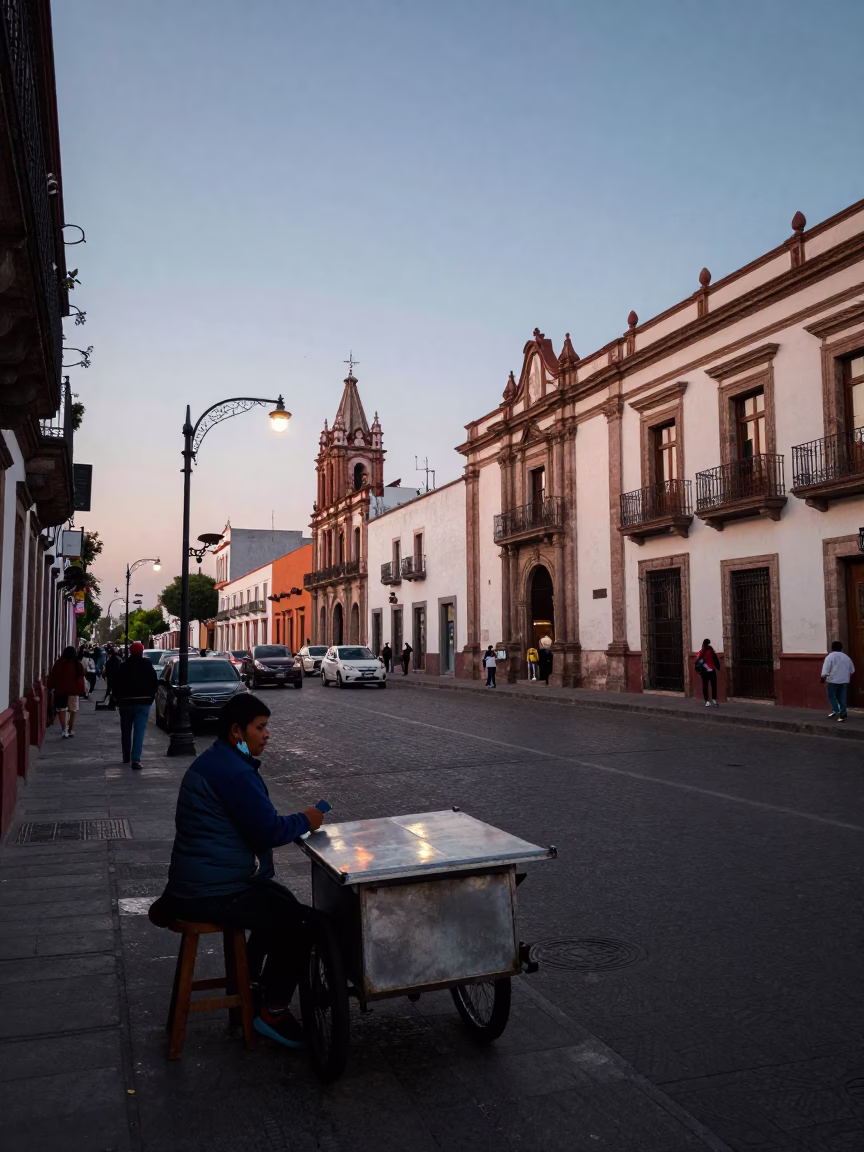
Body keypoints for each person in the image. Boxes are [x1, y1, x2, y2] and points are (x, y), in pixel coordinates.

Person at [150, 694, 326, 1048]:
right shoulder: (233, 772)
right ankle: (272, 1011)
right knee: (301, 923)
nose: (267, 734)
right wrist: (306, 820)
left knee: (280, 899)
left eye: (266, 727)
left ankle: (254, 987)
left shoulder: (222, 760)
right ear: (236, 732)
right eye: (260, 728)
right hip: (211, 892)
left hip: (202, 882)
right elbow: (267, 830)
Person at [112, 641, 159, 769]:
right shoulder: (147, 665)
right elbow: (155, 683)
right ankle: (136, 759)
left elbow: (115, 684)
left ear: (131, 651)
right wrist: (151, 697)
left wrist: (117, 698)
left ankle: (125, 757)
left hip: (125, 703)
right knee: (140, 731)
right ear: (142, 651)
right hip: (143, 702)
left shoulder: (123, 666)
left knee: (125, 731)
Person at [47, 646, 86, 738]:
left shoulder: (59, 663)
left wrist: (51, 687)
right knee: (73, 711)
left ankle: (64, 730)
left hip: (60, 690)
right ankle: (70, 730)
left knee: (61, 710)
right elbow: (83, 673)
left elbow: (53, 675)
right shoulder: (77, 664)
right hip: (73, 691)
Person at [821, 640, 855, 723]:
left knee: (832, 695)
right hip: (844, 681)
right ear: (841, 648)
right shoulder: (847, 657)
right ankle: (843, 713)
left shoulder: (830, 657)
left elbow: (825, 671)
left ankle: (837, 711)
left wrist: (822, 678)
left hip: (833, 680)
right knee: (842, 697)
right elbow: (852, 670)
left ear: (832, 648)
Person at [695, 638, 720, 707]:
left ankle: (707, 701)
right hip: (712, 671)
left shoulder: (701, 651)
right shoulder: (711, 651)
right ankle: (714, 700)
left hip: (704, 671)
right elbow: (716, 660)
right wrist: (718, 667)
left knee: (705, 686)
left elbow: (697, 660)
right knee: (713, 686)